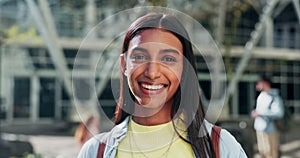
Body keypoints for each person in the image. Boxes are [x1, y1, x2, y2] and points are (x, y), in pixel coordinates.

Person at [78, 13, 247, 158]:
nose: (152, 73)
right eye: (140, 57)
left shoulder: (221, 146)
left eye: (168, 59)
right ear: (123, 64)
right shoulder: (94, 151)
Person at [251, 76, 284, 158]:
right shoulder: (261, 96)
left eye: (259, 83)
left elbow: (279, 113)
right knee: (263, 151)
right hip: (260, 129)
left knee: (271, 153)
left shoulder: (274, 97)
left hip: (270, 130)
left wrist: (261, 114)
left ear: (265, 84)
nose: (257, 85)